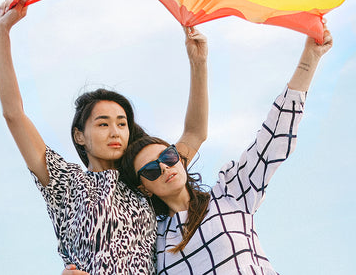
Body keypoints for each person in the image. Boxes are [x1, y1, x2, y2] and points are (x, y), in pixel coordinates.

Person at [64, 29, 333, 274]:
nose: (165, 168)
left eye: (168, 157)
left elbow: (273, 138)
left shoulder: (230, 196)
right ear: (144, 188)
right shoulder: (154, 244)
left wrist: (310, 58)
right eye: (151, 170)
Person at [0, 0, 209, 274]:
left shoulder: (146, 175)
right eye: (103, 124)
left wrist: (199, 62)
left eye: (121, 123)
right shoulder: (66, 183)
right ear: (80, 136)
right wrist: (2, 32)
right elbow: (14, 114)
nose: (115, 132)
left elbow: (194, 133)